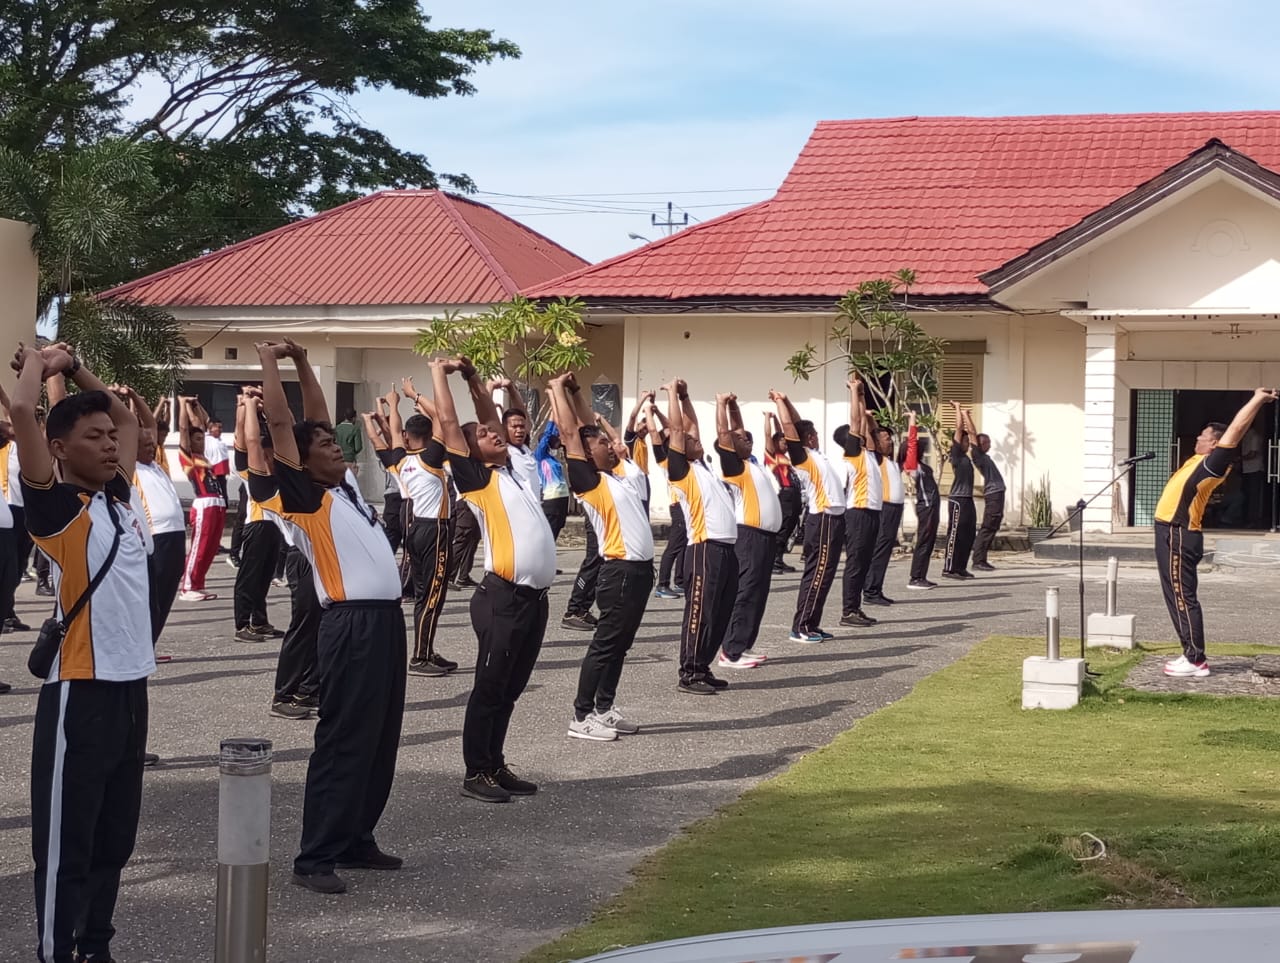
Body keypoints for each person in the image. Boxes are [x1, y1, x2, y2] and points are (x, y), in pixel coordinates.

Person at [252, 338, 406, 895]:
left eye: (332, 441)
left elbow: (314, 415)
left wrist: (300, 361)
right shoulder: (304, 497)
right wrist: (271, 361)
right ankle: (314, 856)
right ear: (297, 459)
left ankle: (356, 837)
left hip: (386, 623)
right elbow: (284, 419)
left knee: (381, 734)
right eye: (321, 444)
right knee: (344, 737)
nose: (333, 445)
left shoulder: (343, 492)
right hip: (351, 626)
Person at [17, 342, 153, 963]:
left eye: (107, 437)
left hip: (131, 688)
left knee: (113, 837)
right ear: (60, 450)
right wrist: (36, 370)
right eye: (90, 436)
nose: (108, 443)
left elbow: (128, 420)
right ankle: (56, 950)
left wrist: (75, 369)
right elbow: (24, 416)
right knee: (67, 841)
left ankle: (96, 944)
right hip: (80, 691)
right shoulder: (57, 513)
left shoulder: (117, 500)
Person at [430, 355, 555, 802]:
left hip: (533, 600)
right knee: (490, 687)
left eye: (494, 432)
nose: (492, 433)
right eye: (483, 436)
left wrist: (473, 377)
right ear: (470, 452)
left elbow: (488, 414)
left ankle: (495, 763)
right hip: (502, 597)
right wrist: (440, 375)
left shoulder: (516, 470)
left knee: (510, 689)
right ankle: (475, 772)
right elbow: (449, 423)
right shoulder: (476, 481)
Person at [549, 373, 654, 741]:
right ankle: (582, 715)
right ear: (586, 455)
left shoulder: (622, 476)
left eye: (609, 443)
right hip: (619, 574)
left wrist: (577, 392)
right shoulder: (589, 483)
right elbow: (572, 434)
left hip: (641, 573)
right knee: (606, 644)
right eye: (601, 445)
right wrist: (559, 390)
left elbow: (589, 425)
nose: (610, 446)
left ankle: (605, 708)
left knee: (621, 645)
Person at [1156, 388, 1276, 678]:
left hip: (1179, 534)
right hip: (1170, 532)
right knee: (1177, 595)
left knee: (1182, 597)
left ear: (1214, 444)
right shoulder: (1197, 460)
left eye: (1203, 435)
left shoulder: (1213, 464)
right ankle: (1191, 654)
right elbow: (1237, 430)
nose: (1197, 438)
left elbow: (1235, 430)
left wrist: (1257, 399)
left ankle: (1195, 659)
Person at [662, 379, 738, 694]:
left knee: (720, 612)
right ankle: (689, 672)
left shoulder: (702, 466)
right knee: (700, 611)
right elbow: (680, 431)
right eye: (689, 439)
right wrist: (671, 394)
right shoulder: (680, 470)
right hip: (704, 549)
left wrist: (687, 396)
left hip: (726, 549)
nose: (696, 438)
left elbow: (690, 425)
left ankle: (703, 666)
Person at [383, 376, 458, 677]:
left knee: (425, 592)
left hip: (414, 527)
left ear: (407, 436)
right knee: (433, 595)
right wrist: (416, 394)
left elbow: (392, 431)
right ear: (429, 437)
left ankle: (424, 650)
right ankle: (420, 657)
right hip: (435, 530)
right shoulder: (430, 458)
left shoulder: (401, 458)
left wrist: (393, 406)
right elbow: (442, 417)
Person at [772, 388, 847, 644]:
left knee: (825, 575)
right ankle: (801, 626)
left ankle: (812, 623)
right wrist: (780, 402)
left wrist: (788, 400)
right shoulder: (801, 457)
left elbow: (797, 420)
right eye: (813, 435)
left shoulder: (815, 454)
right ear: (809, 439)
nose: (816, 437)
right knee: (817, 574)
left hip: (835, 519)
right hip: (823, 519)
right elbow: (788, 425)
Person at [717, 394, 782, 668]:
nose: (748, 440)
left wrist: (734, 407)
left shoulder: (752, 463)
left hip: (766, 537)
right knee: (745, 591)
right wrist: (721, 405)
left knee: (758, 593)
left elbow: (736, 430)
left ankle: (743, 645)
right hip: (749, 536)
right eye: (743, 439)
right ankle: (730, 652)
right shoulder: (734, 467)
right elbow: (725, 433)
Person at [128, 387, 186, 643]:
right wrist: (125, 402)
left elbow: (150, 424)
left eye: (153, 445)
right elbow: (132, 426)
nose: (152, 448)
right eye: (146, 445)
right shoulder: (130, 467)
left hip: (176, 536)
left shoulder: (156, 465)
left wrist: (135, 396)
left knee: (166, 594)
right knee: (152, 597)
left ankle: (150, 643)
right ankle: (142, 644)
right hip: (156, 537)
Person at [231, 388, 284, 642]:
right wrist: (245, 405)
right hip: (257, 526)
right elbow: (244, 437)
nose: (270, 458)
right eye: (266, 454)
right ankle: (242, 625)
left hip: (275, 527)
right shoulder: (249, 471)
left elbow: (281, 432)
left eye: (272, 454)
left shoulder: (278, 473)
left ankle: (259, 621)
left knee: (264, 577)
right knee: (249, 577)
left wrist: (264, 408)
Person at [838, 377, 882, 629]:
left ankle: (856, 606)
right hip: (859, 512)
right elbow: (856, 422)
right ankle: (848, 610)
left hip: (872, 512)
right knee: (856, 562)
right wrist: (854, 392)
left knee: (864, 561)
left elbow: (868, 427)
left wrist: (864, 401)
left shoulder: (869, 453)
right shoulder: (853, 453)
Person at [177, 396, 227, 601]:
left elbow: (202, 423)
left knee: (211, 548)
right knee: (199, 546)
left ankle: (199, 583)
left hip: (217, 502)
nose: (201, 442)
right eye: (196, 439)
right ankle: (187, 587)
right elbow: (183, 429)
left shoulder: (204, 457)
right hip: (204, 503)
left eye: (202, 439)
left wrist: (195, 405)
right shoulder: (188, 457)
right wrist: (182, 405)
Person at [864, 421, 905, 605]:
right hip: (886, 508)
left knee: (886, 550)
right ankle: (871, 590)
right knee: (879, 549)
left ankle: (877, 588)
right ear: (877, 443)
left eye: (890, 439)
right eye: (886, 439)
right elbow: (871, 434)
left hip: (895, 509)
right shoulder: (876, 458)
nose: (890, 442)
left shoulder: (891, 461)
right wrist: (869, 418)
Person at [903, 412, 941, 590]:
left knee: (929, 541)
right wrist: (913, 420)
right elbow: (912, 442)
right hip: (925, 507)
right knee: (924, 541)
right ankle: (915, 577)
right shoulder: (912, 466)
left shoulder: (922, 465)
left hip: (932, 507)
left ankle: (921, 575)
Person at [941, 400, 977, 581]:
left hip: (968, 499)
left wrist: (967, 416)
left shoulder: (967, 457)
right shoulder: (955, 454)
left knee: (969, 533)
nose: (967, 443)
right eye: (964, 441)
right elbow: (958, 428)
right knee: (955, 534)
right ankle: (949, 568)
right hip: (957, 499)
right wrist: (958, 409)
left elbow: (972, 434)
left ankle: (961, 567)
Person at [764, 413, 801, 574]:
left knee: (790, 527)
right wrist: (767, 418)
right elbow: (768, 435)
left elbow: (780, 432)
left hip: (794, 493)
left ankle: (779, 558)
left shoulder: (784, 456)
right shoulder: (772, 455)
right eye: (783, 443)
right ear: (775, 443)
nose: (786, 445)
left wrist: (776, 419)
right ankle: (772, 561)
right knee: (783, 526)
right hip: (784, 495)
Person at [968, 413, 1005, 572]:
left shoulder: (985, 457)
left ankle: (982, 558)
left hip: (997, 494)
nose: (989, 444)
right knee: (988, 526)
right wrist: (966, 416)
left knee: (993, 526)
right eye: (986, 442)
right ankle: (978, 560)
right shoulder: (978, 456)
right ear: (980, 444)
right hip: (993, 495)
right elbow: (972, 436)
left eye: (989, 441)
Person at [535, 421, 570, 541]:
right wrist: (551, 420)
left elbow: (554, 433)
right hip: (552, 498)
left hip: (563, 496)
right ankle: (543, 554)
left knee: (559, 524)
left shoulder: (552, 459)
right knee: (551, 528)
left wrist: (557, 417)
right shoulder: (540, 456)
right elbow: (547, 435)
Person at [334, 408, 363, 477]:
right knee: (350, 483)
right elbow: (358, 447)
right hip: (349, 459)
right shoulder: (355, 429)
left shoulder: (337, 428)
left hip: (338, 459)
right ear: (353, 418)